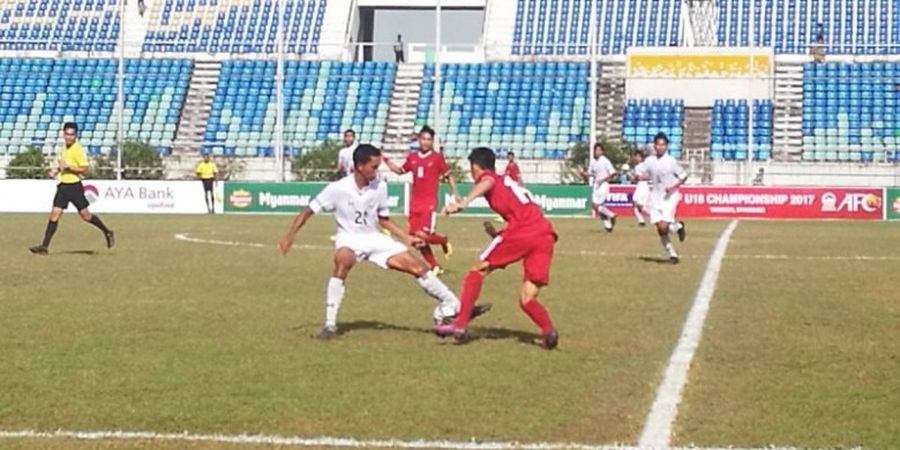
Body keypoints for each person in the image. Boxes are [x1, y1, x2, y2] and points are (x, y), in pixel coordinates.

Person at [278, 144, 489, 339]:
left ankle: (455, 306)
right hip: (349, 239)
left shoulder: (380, 186)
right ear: (359, 166)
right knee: (342, 261)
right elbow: (308, 211)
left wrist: (406, 238)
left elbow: (383, 220)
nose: (377, 170)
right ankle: (329, 325)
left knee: (419, 267)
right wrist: (289, 236)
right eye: (373, 166)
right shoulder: (338, 188)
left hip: (375, 239)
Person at [434, 147, 559, 350]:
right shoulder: (507, 181)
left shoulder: (491, 178)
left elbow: (487, 181)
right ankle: (548, 331)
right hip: (544, 234)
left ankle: (460, 324)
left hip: (524, 231)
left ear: (476, 166)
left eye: (471, 168)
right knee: (527, 298)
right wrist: (498, 235)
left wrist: (463, 203)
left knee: (477, 270)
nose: (471, 173)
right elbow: (521, 214)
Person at [29, 122, 115, 255]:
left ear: (75, 135)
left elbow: (85, 169)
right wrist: (56, 171)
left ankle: (107, 232)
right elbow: (63, 165)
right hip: (63, 186)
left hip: (74, 186)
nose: (69, 137)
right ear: (63, 134)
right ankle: (44, 246)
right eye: (67, 134)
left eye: (72, 134)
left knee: (85, 216)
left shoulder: (78, 150)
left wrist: (70, 168)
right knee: (54, 214)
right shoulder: (63, 149)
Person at [384, 126, 459, 275]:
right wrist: (386, 160)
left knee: (423, 235)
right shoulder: (412, 157)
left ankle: (443, 240)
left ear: (432, 142)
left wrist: (455, 193)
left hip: (429, 202)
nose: (425, 142)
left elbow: (448, 175)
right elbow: (400, 171)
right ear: (418, 140)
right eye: (423, 139)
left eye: (428, 139)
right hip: (414, 203)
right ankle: (434, 266)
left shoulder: (437, 158)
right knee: (416, 240)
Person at [636, 132, 687, 264]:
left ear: (667, 146)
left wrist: (673, 186)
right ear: (654, 146)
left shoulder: (671, 161)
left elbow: (683, 176)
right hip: (655, 197)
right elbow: (643, 172)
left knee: (664, 226)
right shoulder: (650, 161)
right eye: (658, 144)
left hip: (670, 197)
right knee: (660, 229)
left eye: (663, 145)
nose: (660, 147)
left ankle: (678, 226)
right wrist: (639, 177)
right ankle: (673, 255)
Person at [580, 143, 618, 232]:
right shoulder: (592, 161)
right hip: (596, 185)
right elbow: (590, 174)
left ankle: (611, 214)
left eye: (598, 150)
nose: (596, 152)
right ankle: (608, 226)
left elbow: (613, 173)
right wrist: (584, 174)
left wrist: (604, 179)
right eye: (595, 150)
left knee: (597, 206)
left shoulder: (605, 161)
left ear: (602, 151)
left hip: (604, 185)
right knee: (595, 206)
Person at [629, 149, 650, 226]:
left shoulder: (644, 166)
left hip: (643, 186)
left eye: (638, 156)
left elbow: (650, 176)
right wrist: (633, 178)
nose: (636, 158)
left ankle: (656, 217)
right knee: (634, 203)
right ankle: (641, 221)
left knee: (641, 207)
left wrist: (642, 178)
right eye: (635, 156)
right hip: (639, 186)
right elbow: (637, 178)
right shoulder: (637, 167)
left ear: (641, 158)